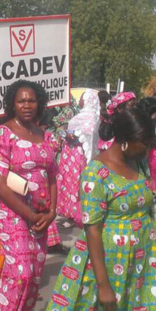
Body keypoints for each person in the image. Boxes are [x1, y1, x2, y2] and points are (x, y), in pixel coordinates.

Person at [21, 107, 156, 311]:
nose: (149, 150)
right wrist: (103, 284)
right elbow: (93, 230)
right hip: (104, 265)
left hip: (142, 266)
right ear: (126, 140)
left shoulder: (135, 165)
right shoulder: (95, 174)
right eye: (146, 143)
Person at [0, 80, 59, 311]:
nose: (27, 105)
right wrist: (29, 215)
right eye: (21, 101)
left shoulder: (46, 136)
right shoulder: (1, 135)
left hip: (41, 216)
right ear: (12, 104)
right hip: (12, 213)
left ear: (39, 102)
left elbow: (52, 175)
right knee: (21, 274)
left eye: (31, 101)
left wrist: (51, 212)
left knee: (33, 281)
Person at [56, 89, 101, 226]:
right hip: (70, 156)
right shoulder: (81, 116)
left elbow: (88, 136)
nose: (79, 101)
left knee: (77, 184)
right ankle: (70, 214)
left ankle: (78, 215)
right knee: (69, 185)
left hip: (78, 157)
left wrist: (73, 134)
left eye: (82, 98)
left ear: (88, 100)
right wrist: (66, 132)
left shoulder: (91, 118)